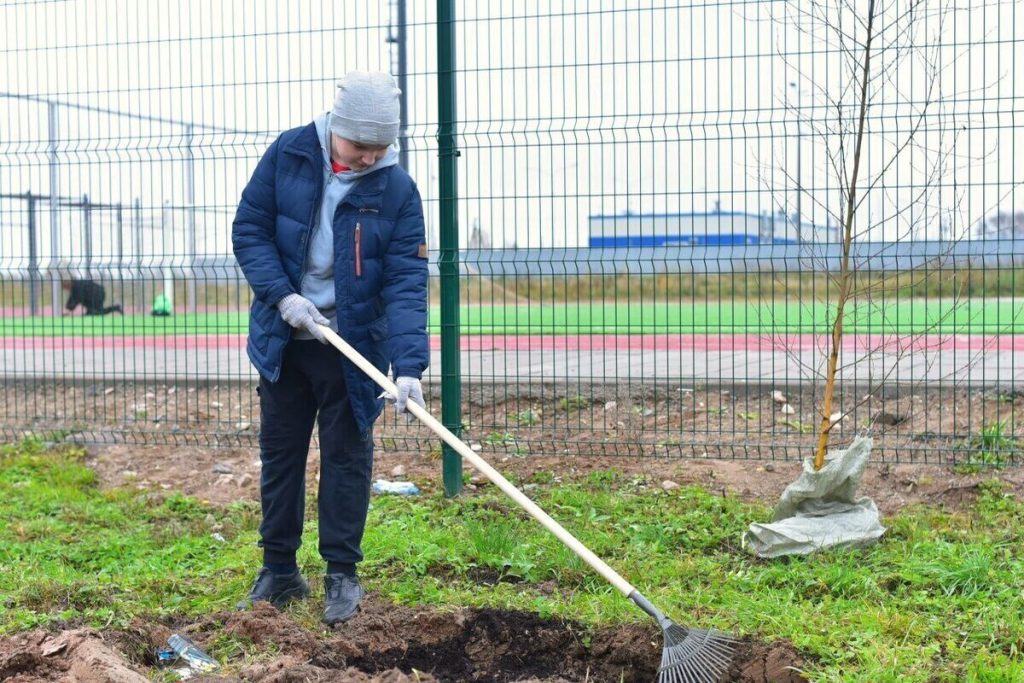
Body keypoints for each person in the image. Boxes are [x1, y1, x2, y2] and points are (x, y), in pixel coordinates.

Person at [231, 71, 429, 625]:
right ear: (336, 128)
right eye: (360, 145)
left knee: (346, 458)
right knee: (282, 456)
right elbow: (250, 229)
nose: (369, 157)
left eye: (380, 147)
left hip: (352, 346)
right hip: (285, 339)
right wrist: (283, 297)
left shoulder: (396, 190)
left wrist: (409, 366)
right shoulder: (290, 154)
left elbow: (406, 283)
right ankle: (279, 570)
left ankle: (342, 573)